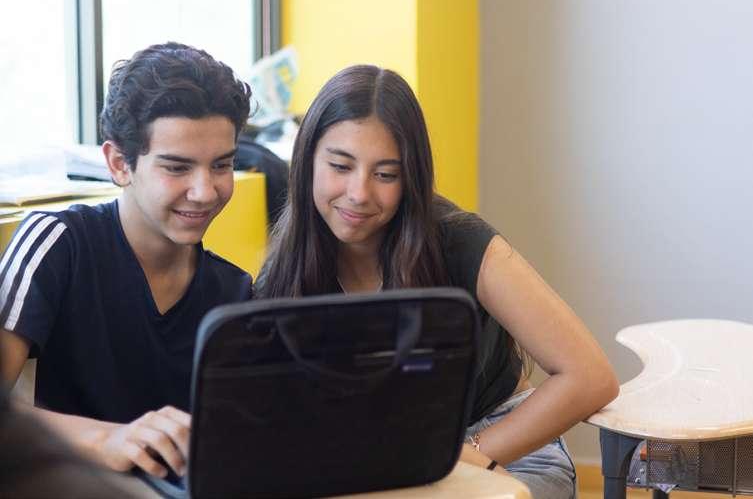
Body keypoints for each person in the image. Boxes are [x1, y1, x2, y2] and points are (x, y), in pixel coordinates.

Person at [255, 65, 619, 498]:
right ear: (307, 161)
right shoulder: (284, 272)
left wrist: (471, 454)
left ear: (411, 177)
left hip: (502, 449)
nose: (359, 193)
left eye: (385, 174)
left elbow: (590, 376)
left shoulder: (459, 240)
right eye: (340, 166)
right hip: (382, 462)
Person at [0, 42, 252, 480]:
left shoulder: (235, 291)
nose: (205, 191)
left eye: (221, 166)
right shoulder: (57, 242)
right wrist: (106, 439)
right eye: (177, 168)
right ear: (119, 164)